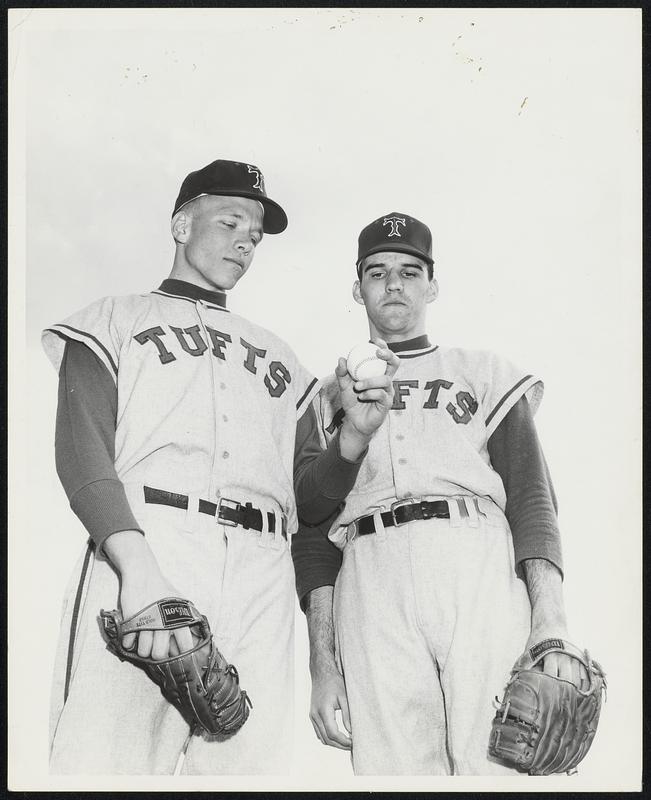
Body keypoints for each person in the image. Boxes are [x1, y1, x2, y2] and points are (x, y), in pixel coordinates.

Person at [41, 160, 397, 775]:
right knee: (102, 771)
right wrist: (138, 570)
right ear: (181, 224)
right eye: (231, 220)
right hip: (151, 543)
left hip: (261, 569)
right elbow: (81, 453)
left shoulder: (282, 357)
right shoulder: (113, 318)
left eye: (255, 235)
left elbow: (309, 502)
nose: (244, 241)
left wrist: (352, 444)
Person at [292, 211, 590, 775]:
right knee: (391, 774)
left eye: (410, 271)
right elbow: (312, 535)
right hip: (369, 572)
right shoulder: (327, 395)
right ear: (357, 289)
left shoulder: (481, 371)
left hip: (472, 562)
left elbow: (533, 500)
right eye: (377, 273)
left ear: (433, 284)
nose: (394, 284)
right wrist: (323, 664)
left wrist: (551, 619)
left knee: (497, 765)